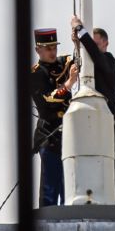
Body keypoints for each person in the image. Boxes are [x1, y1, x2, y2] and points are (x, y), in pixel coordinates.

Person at [71, 15, 115, 205]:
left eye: (96, 44)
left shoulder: (108, 61)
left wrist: (80, 31)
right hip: (95, 118)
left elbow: (96, 57)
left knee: (111, 168)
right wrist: (78, 45)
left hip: (110, 118)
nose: (93, 49)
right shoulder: (93, 63)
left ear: (105, 44)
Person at [30, 27, 78, 207]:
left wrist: (76, 41)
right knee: (50, 188)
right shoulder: (35, 73)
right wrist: (68, 84)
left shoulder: (63, 62)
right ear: (38, 50)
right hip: (50, 135)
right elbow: (47, 100)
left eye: (54, 47)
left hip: (69, 133)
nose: (52, 52)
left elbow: (80, 59)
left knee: (70, 188)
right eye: (47, 48)